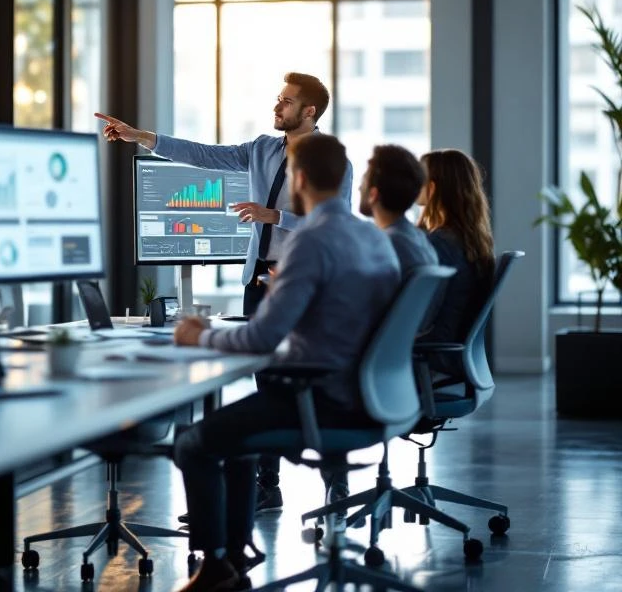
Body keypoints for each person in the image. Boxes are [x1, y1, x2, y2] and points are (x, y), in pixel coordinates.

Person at [96, 72, 353, 510]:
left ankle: (337, 486)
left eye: (286, 102)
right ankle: (267, 486)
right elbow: (202, 154)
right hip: (260, 280)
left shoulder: (332, 162)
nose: (277, 107)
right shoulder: (262, 149)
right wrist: (141, 137)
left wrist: (276, 217)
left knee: (315, 382)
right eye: (278, 98)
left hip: (306, 281)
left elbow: (335, 220)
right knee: (264, 381)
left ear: (309, 111)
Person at [170, 135, 401, 591]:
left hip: (319, 398)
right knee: (238, 442)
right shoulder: (372, 237)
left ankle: (216, 567)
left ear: (298, 179)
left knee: (193, 443)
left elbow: (261, 338)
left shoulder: (310, 240)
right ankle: (235, 553)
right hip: (373, 397)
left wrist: (201, 335)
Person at [416, 149, 495, 375]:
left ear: (432, 188)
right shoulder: (470, 239)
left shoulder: (441, 242)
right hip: (454, 349)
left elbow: (423, 316)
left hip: (434, 350)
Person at [358, 144, 437, 276]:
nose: (359, 188)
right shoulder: (421, 240)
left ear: (373, 195)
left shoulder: (385, 246)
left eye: (364, 181)